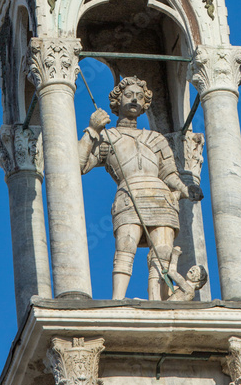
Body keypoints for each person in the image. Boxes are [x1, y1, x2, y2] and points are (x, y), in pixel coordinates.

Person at [78, 76, 202, 300]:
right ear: (117, 101)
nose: (134, 100)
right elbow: (79, 165)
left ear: (145, 104)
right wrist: (92, 130)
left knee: (162, 254)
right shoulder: (108, 136)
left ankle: (159, 301)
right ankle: (117, 300)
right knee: (125, 249)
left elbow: (170, 175)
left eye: (139, 97)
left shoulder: (155, 138)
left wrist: (186, 189)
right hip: (129, 195)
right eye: (128, 95)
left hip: (161, 199)